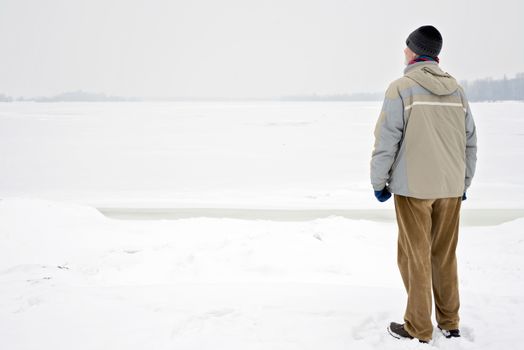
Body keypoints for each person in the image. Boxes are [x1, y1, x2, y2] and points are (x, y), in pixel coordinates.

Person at [370, 25, 477, 343]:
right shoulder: (457, 90)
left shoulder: (402, 88)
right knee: (444, 255)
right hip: (450, 188)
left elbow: (386, 140)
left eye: (406, 48)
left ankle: (418, 326)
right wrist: (464, 182)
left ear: (415, 52)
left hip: (412, 189)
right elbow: (470, 141)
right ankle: (449, 321)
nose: (404, 52)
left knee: (414, 255)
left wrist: (379, 182)